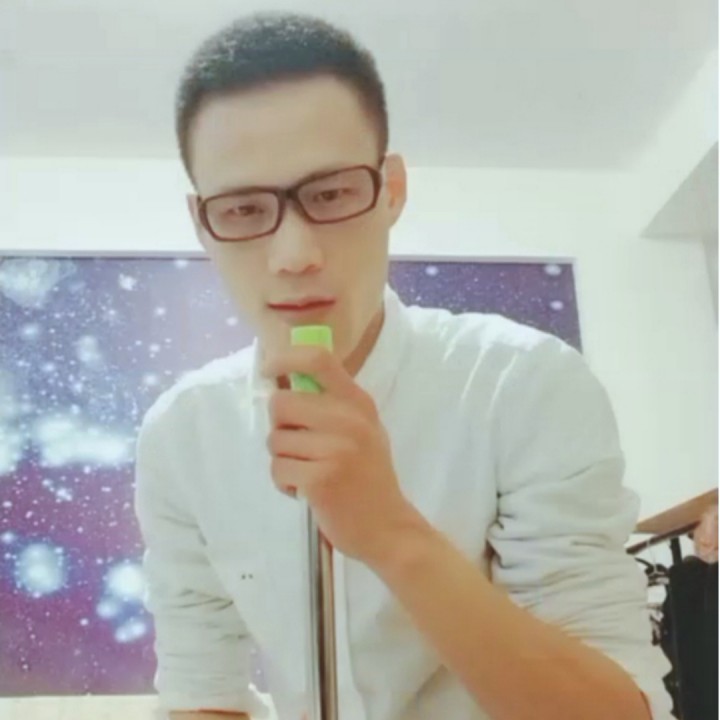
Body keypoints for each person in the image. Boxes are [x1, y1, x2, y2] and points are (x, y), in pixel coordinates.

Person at [134, 12, 673, 720]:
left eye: (330, 194)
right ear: (203, 223)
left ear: (390, 190)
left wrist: (389, 531)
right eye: (241, 209)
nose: (293, 254)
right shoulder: (182, 435)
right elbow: (202, 691)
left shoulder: (522, 384)